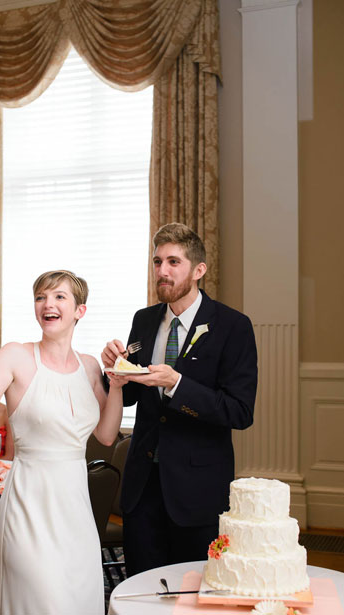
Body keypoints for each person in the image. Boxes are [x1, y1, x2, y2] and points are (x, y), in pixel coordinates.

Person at [0, 270, 126, 615]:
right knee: (41, 600)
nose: (48, 304)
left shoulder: (90, 367)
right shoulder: (15, 355)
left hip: (76, 509)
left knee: (79, 599)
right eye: (41, 297)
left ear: (80, 310)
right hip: (28, 504)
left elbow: (107, 435)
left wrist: (119, 385)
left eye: (59, 297)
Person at [101, 222, 257, 576]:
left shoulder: (234, 327)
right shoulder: (143, 320)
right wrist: (114, 370)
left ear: (199, 270)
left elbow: (240, 411)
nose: (162, 272)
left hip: (197, 493)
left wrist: (177, 384)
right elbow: (129, 397)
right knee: (141, 590)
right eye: (157, 262)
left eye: (173, 262)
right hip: (141, 491)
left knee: (194, 593)